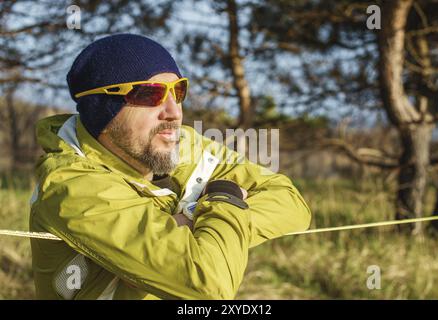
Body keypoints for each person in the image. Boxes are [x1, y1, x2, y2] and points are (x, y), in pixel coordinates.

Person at [30, 33, 311, 300]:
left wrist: (191, 223)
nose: (173, 111)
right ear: (103, 108)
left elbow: (292, 203)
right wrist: (225, 197)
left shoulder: (182, 145)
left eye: (178, 91)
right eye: (149, 95)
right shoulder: (71, 187)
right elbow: (209, 283)